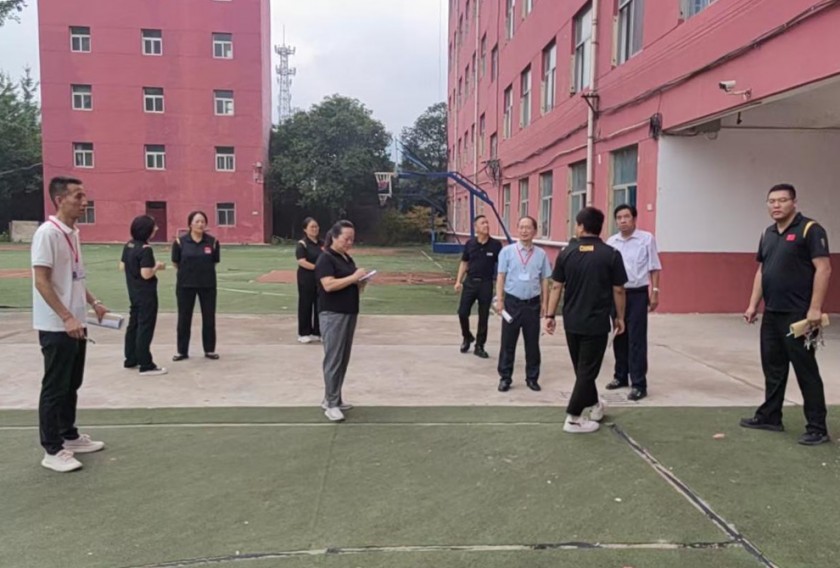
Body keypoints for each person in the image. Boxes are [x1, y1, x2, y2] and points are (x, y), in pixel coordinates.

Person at [742, 183, 832, 446]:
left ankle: (817, 428)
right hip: (772, 313)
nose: (776, 205)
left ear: (794, 202)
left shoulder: (810, 229)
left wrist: (814, 308)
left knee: (806, 370)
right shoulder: (767, 233)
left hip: (798, 314)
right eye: (772, 201)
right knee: (773, 367)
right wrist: (753, 304)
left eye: (782, 200)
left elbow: (824, 269)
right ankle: (770, 417)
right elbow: (762, 271)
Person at [31, 177, 108, 472]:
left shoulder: (73, 233)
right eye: (78, 196)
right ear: (59, 199)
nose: (84, 201)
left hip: (77, 322)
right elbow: (42, 281)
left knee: (72, 383)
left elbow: (75, 276)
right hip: (57, 325)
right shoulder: (47, 234)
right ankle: (51, 449)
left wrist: (93, 302)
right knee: (55, 386)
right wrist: (65, 316)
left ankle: (69, 435)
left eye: (84, 195)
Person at [545, 207, 627, 434]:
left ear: (581, 227)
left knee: (583, 370)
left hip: (572, 321)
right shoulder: (611, 254)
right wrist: (620, 317)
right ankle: (573, 418)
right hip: (597, 322)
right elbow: (619, 290)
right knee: (586, 371)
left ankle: (595, 405)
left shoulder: (566, 253)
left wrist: (550, 315)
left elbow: (556, 286)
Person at [605, 204, 662, 401]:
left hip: (637, 294)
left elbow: (654, 267)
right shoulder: (611, 242)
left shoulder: (646, 239)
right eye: (619, 217)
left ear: (634, 219)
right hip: (616, 294)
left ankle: (638, 383)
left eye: (626, 217)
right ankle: (620, 375)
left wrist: (655, 292)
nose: (623, 221)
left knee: (636, 338)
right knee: (619, 334)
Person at [315, 220, 368, 422]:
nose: (349, 243)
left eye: (352, 239)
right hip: (333, 314)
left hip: (349, 311)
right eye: (346, 239)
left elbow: (351, 285)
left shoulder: (346, 258)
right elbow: (328, 285)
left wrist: (361, 282)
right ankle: (331, 404)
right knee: (333, 359)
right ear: (334, 237)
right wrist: (354, 277)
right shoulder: (326, 258)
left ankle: (334, 396)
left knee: (343, 358)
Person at [495, 216, 552, 392]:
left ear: (535, 231)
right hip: (512, 303)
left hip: (532, 304)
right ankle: (505, 377)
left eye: (528, 227)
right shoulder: (507, 252)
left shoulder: (541, 254)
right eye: (521, 227)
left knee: (532, 343)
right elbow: (501, 276)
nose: (524, 231)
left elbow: (545, 280)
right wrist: (500, 300)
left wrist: (545, 303)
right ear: (517, 229)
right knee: (508, 343)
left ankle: (532, 378)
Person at [120, 215, 167, 376]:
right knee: (145, 327)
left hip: (133, 291)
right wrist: (157, 267)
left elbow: (122, 266)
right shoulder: (146, 249)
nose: (156, 229)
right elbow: (146, 274)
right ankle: (146, 364)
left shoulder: (129, 245)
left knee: (133, 325)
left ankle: (130, 358)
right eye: (154, 227)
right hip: (146, 294)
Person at [171, 211, 220, 361]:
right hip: (185, 285)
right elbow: (175, 263)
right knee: (184, 318)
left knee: (209, 318)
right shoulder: (180, 242)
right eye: (197, 221)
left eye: (203, 221)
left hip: (207, 285)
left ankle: (209, 349)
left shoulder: (212, 242)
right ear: (190, 224)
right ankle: (182, 351)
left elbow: (214, 261)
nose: (200, 224)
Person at [454, 214, 503, 358]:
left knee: (483, 316)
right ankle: (467, 336)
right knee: (462, 312)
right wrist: (458, 281)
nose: (486, 225)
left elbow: (502, 266)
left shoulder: (496, 245)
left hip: (486, 284)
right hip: (470, 282)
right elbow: (464, 262)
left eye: (487, 223)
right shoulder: (470, 244)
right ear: (476, 227)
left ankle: (480, 345)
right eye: (483, 223)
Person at [296, 217, 323, 344]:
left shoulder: (322, 243)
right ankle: (304, 333)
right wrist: (317, 268)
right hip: (306, 278)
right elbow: (302, 261)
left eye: (316, 226)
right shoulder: (302, 244)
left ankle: (318, 332)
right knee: (306, 304)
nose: (315, 229)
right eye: (312, 227)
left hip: (320, 278)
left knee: (320, 304)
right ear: (305, 229)